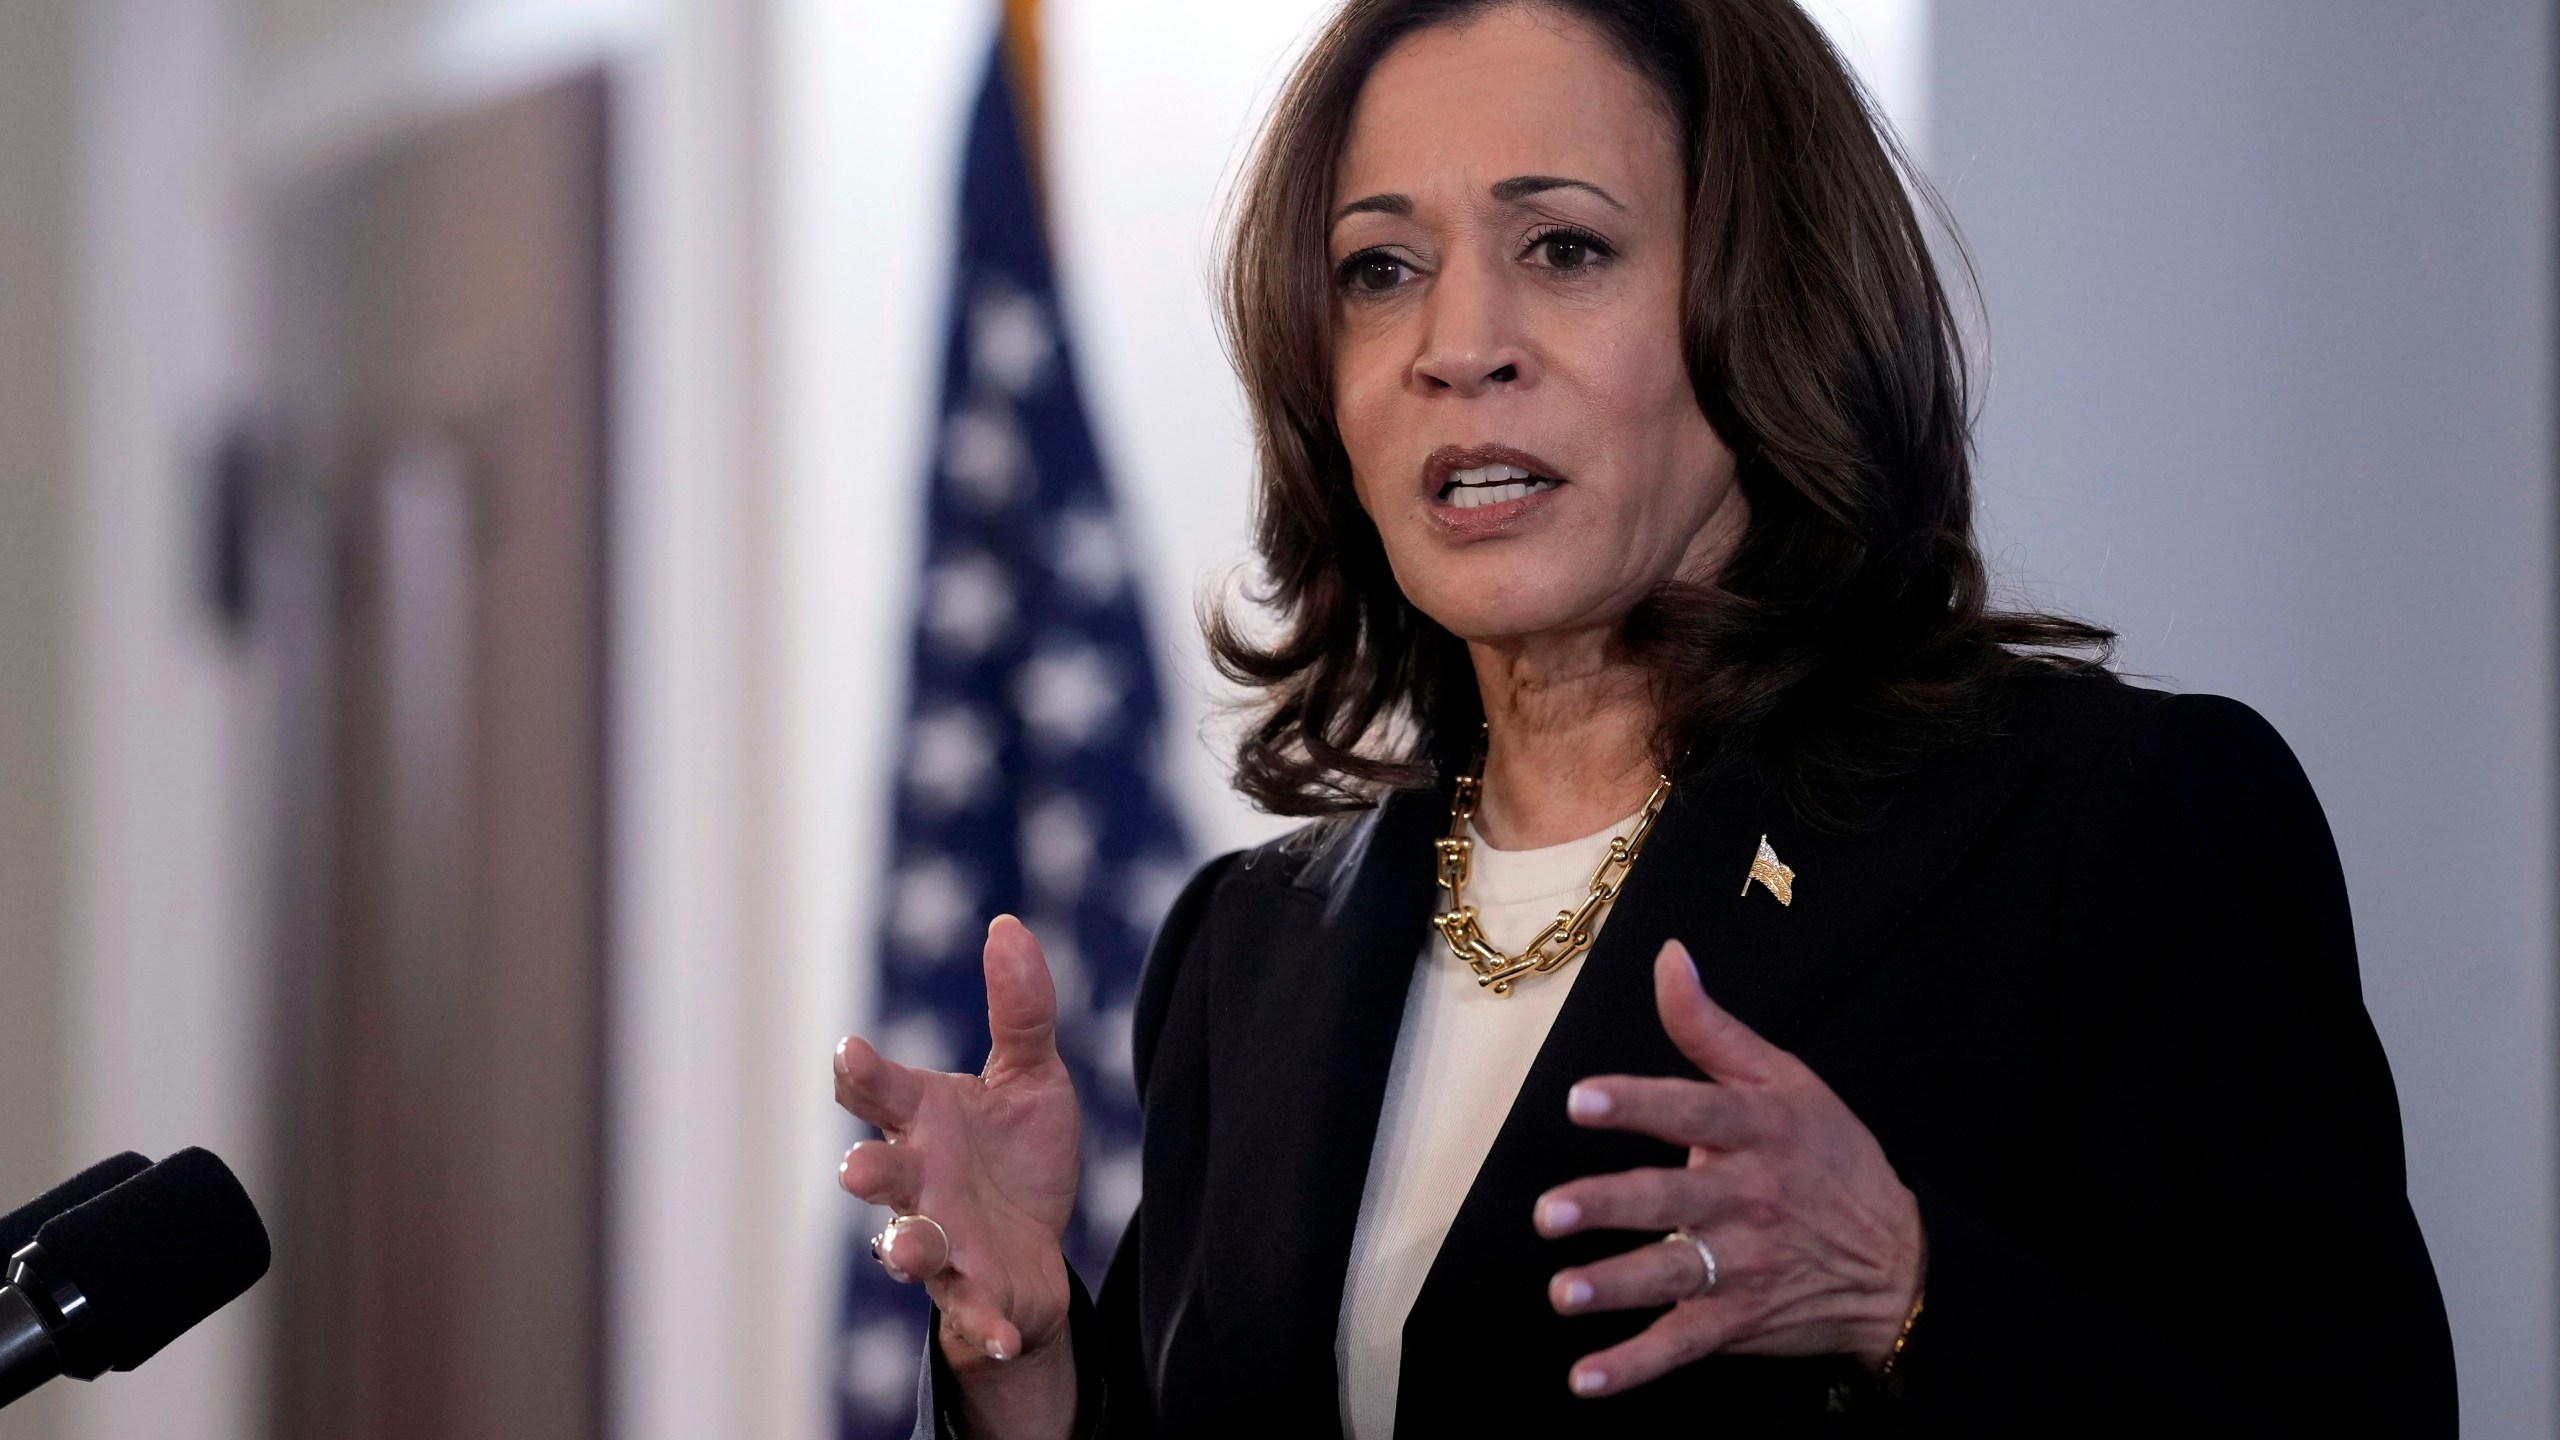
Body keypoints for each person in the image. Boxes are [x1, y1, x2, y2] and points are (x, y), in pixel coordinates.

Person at [833, 0, 2458, 1434]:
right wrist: (1030, 1367)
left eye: (1565, 248)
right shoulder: (1246, 951)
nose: (1458, 348)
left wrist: (1909, 1294)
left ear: (1764, 302)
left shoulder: (2104, 835)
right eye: (1380, 271)